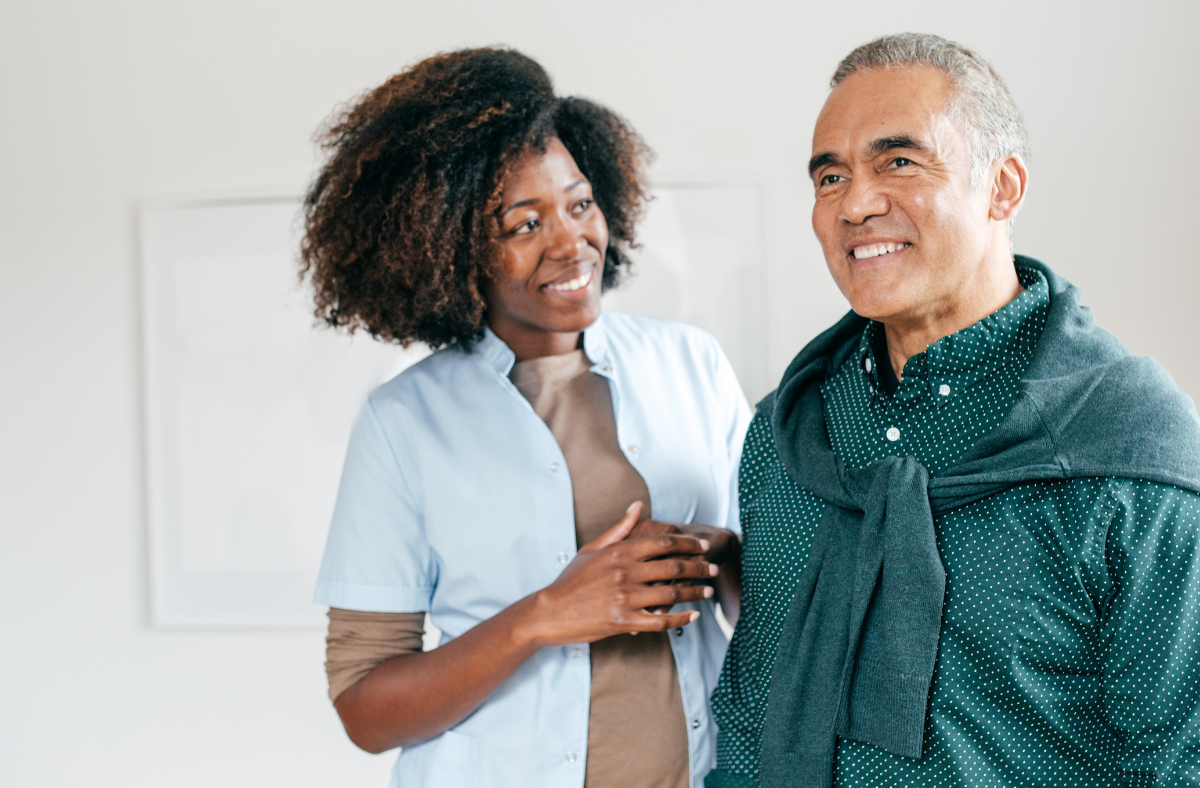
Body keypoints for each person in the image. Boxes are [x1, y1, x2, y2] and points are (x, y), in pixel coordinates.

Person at [708, 33, 1200, 788]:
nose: (856, 204)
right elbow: (750, 708)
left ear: (1003, 187)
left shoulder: (1127, 448)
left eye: (898, 162)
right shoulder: (787, 434)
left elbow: (1179, 755)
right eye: (830, 177)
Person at [303, 48, 751, 788]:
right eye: (522, 225)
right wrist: (546, 614)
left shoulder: (690, 363)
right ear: (450, 248)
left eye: (579, 204)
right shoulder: (406, 421)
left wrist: (723, 558)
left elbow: (780, 601)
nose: (570, 242)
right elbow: (365, 709)